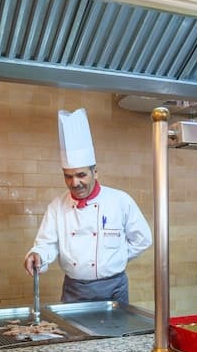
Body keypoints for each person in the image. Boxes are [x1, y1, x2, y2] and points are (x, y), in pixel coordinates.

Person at [24, 108, 152, 305]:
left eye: (81, 175)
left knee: (118, 327)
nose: (75, 183)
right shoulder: (57, 206)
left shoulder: (120, 200)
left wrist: (115, 258)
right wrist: (37, 254)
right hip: (74, 289)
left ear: (95, 172)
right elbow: (46, 244)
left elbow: (143, 239)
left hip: (114, 289)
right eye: (68, 176)